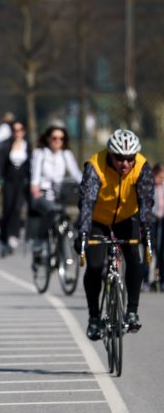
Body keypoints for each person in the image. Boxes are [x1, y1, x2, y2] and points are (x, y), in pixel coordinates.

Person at [78, 129, 155, 340]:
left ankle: (132, 311)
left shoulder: (142, 167)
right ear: (110, 154)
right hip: (98, 220)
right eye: (119, 158)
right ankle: (94, 318)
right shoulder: (96, 166)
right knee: (94, 266)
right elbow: (87, 202)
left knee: (134, 258)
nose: (125, 163)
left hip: (127, 218)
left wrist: (146, 230)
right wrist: (83, 233)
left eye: (129, 158)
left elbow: (146, 202)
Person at [29, 123, 82, 261]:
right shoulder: (40, 153)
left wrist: (88, 185)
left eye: (61, 138)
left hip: (60, 194)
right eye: (54, 138)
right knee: (52, 211)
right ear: (47, 138)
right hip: (43, 193)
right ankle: (39, 241)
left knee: (71, 216)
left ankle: (64, 258)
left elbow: (76, 174)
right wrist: (35, 188)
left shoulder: (66, 154)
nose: (58, 141)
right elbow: (35, 175)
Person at [0, 120, 31, 257]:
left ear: (24, 132)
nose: (17, 132)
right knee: (7, 209)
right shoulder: (7, 146)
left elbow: (32, 164)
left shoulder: (27, 146)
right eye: (15, 130)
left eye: (20, 130)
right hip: (9, 181)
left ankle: (13, 236)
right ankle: (3, 239)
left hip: (22, 182)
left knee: (17, 209)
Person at [143, 163, 164, 291]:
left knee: (162, 251)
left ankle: (161, 280)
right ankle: (145, 280)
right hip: (152, 220)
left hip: (163, 219)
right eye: (160, 177)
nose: (162, 180)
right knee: (150, 248)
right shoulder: (148, 186)